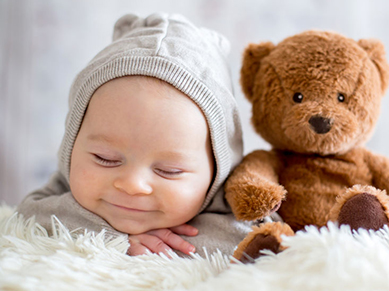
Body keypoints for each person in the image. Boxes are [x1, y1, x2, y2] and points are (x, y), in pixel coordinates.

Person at [16, 13, 255, 258]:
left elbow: (255, 241)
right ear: (73, 145)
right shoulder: (63, 187)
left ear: (217, 169)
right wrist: (113, 238)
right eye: (105, 158)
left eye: (169, 170)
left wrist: (169, 242)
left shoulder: (235, 201)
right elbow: (27, 214)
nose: (132, 185)